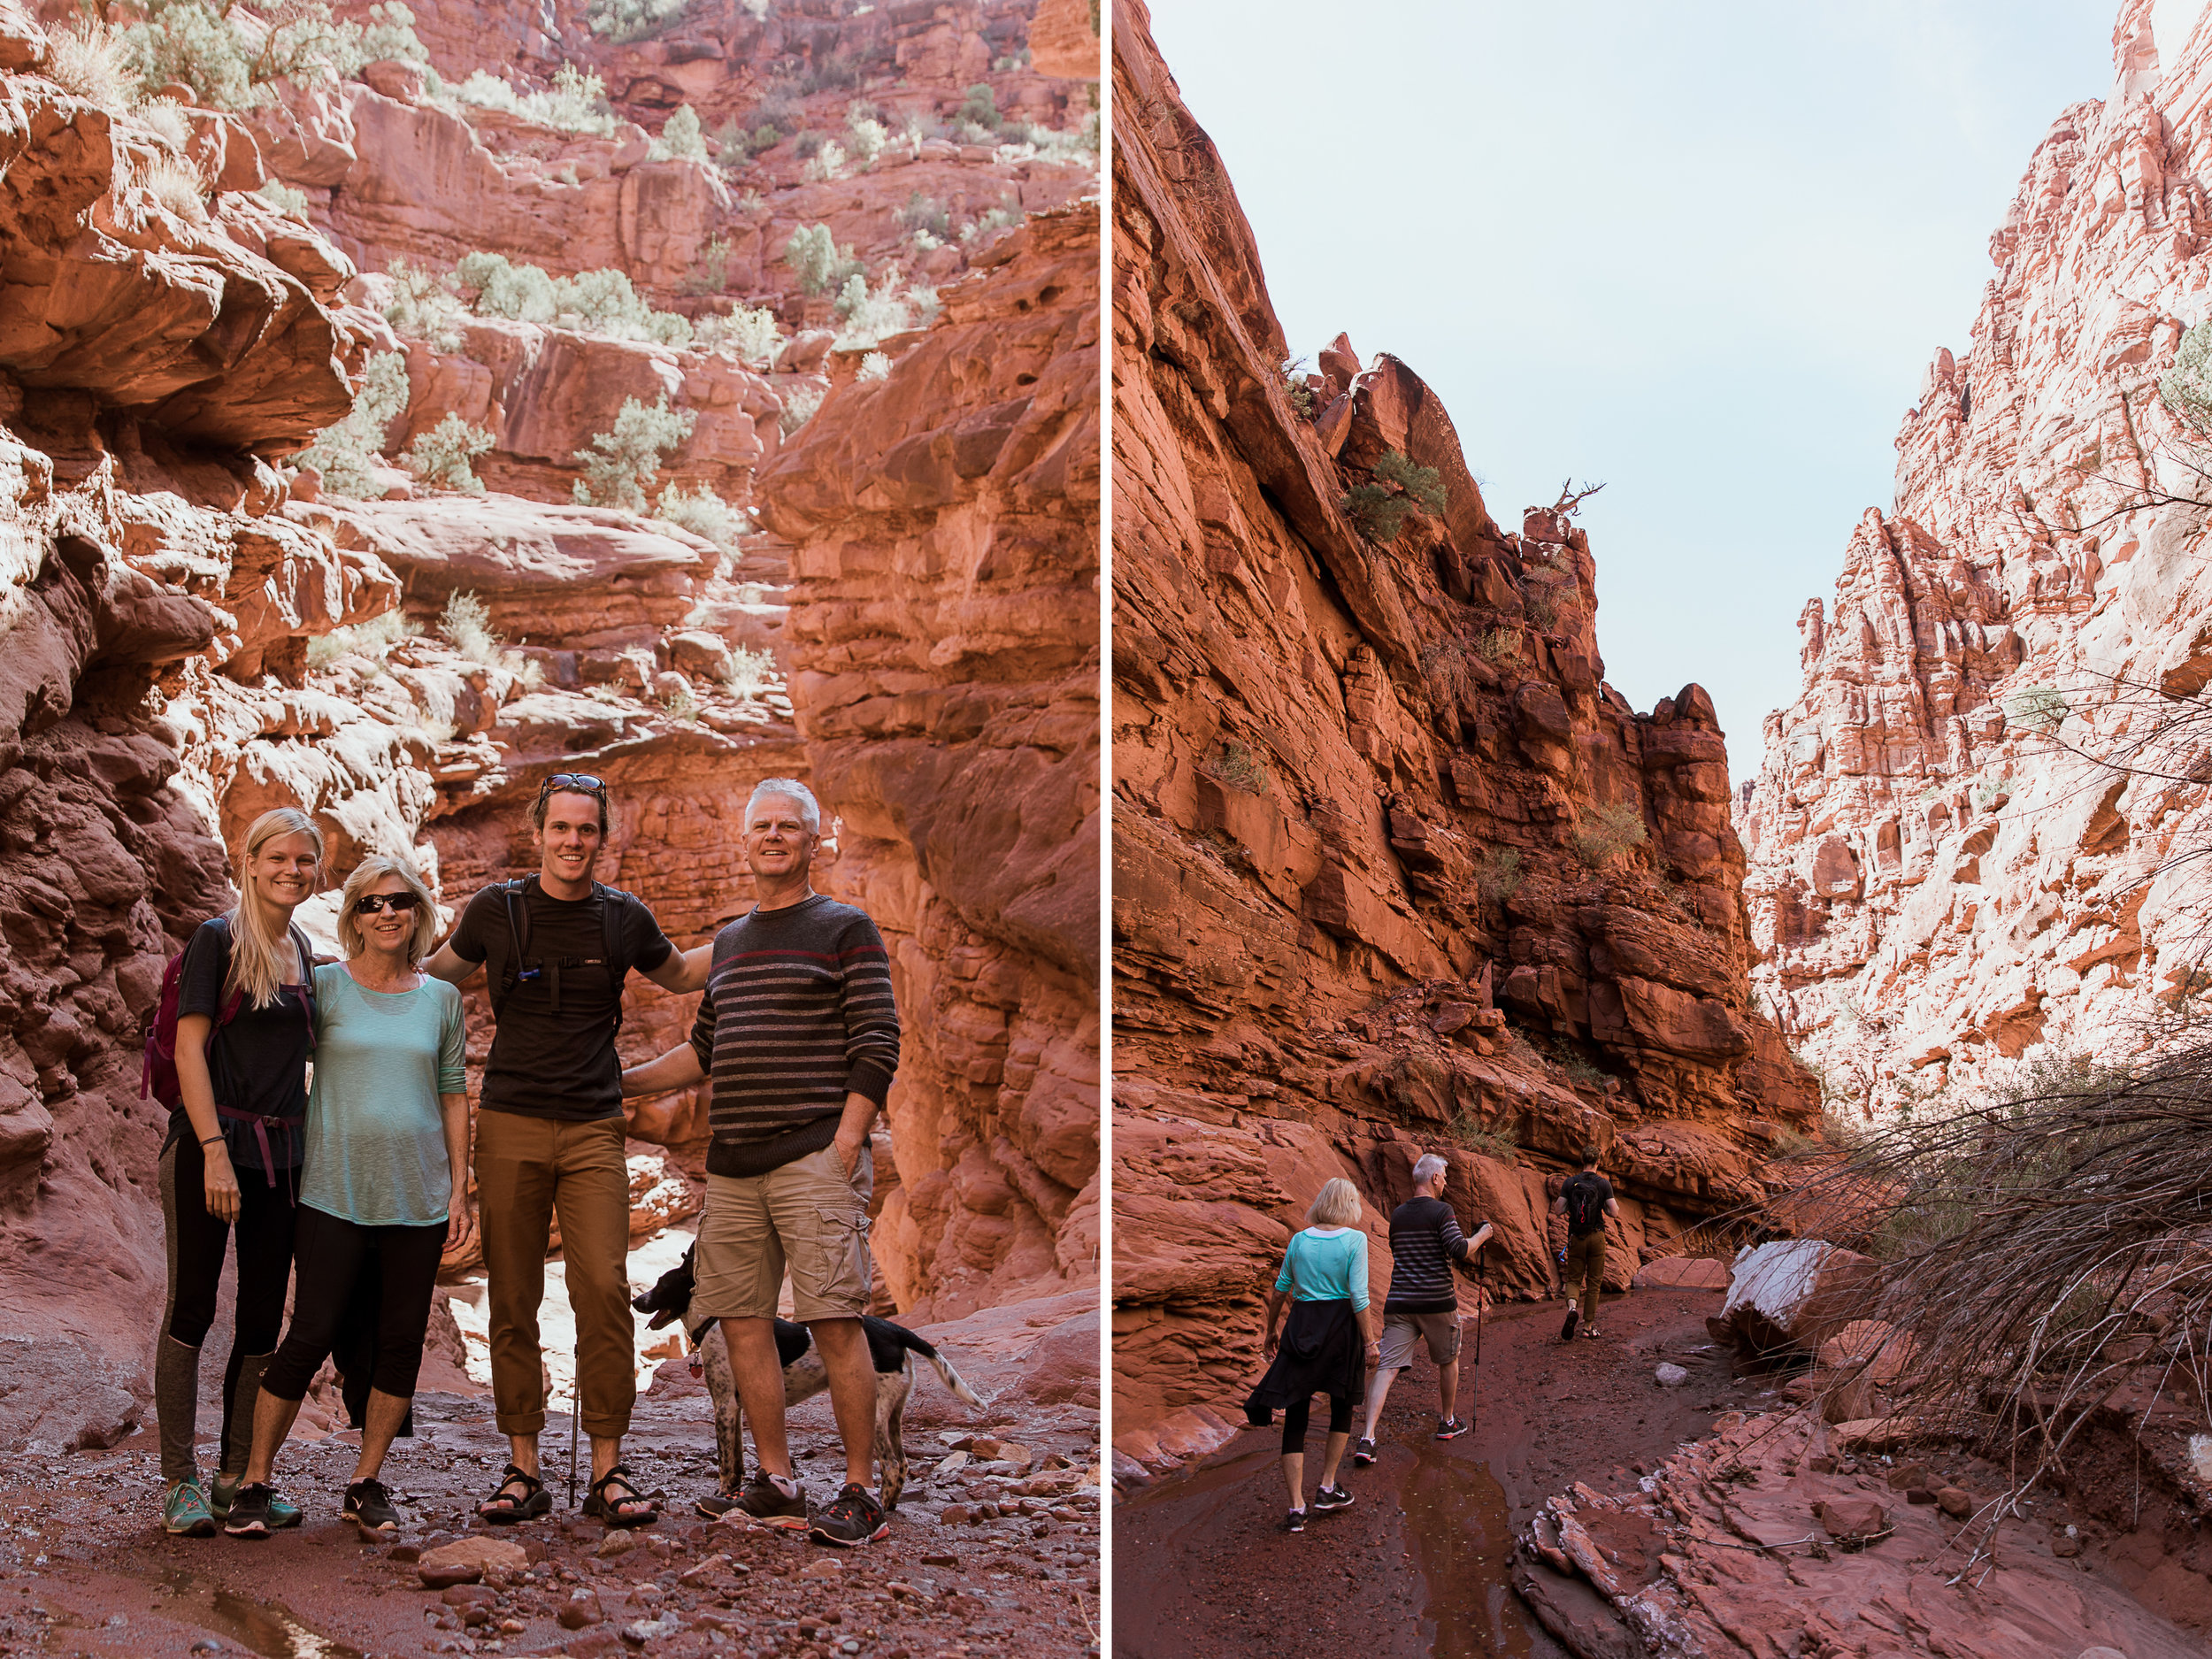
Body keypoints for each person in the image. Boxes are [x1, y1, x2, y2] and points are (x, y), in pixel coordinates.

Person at [620, 779, 902, 1547]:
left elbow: (878, 1040)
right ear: (744, 842)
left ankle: (858, 1486)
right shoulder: (735, 940)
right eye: (762, 826)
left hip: (815, 1152)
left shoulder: (847, 928)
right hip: (735, 1164)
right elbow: (705, 1050)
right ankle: (775, 1480)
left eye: (789, 826)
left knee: (834, 1317)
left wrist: (846, 1144)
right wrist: (622, 1082)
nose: (774, 836)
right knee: (742, 1319)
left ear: (814, 842)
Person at [424, 773, 710, 1527]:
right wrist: (347, 976)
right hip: (511, 1120)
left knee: (603, 1292)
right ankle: (524, 1465)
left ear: (601, 835)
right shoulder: (496, 908)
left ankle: (608, 1469)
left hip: (592, 1127)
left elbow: (680, 973)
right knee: (514, 1296)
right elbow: (431, 979)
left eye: (587, 829)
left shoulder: (622, 919)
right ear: (539, 830)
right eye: (561, 827)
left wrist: (761, 929)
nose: (573, 841)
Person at [224, 856, 473, 1536]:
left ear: (419, 911)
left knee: (398, 1344)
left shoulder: (441, 999)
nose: (387, 912)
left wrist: (460, 1187)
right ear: (354, 916)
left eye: (399, 900)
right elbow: (266, 1047)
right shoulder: (324, 986)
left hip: (418, 1198)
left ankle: (365, 1480)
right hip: (331, 1193)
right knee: (309, 1334)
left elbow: (453, 1094)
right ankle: (253, 1480)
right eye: (370, 903)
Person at [156, 807, 324, 1538]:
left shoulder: (305, 947)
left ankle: (234, 1477)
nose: (292, 870)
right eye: (279, 858)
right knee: (193, 1307)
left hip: (282, 1159)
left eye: (305, 861)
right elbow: (190, 1049)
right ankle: (178, 1480)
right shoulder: (217, 940)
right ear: (249, 862)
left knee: (260, 1319)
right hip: (209, 1148)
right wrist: (214, 1149)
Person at [1244, 1177, 1377, 1532]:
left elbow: (1278, 1292)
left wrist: (1270, 1330)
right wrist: (1370, 1341)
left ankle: (1296, 1508)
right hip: (1340, 1330)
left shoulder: (1299, 1240)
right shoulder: (1355, 1240)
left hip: (1301, 1326)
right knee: (1342, 1405)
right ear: (1350, 1205)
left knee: (1296, 1415)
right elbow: (1359, 1295)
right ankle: (1327, 1487)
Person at [1352, 1153, 1493, 1463]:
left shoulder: (1399, 1214)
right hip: (1436, 1301)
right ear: (1433, 1178)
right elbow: (1458, 1249)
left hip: (1400, 1300)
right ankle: (1447, 1421)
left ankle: (1367, 1438)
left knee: (1387, 1367)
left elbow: (1397, 1249)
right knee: (1449, 1359)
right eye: (1444, 1175)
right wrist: (1482, 1236)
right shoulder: (1442, 1211)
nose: (1446, 1180)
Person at [1552, 1143, 1620, 1340]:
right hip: (1596, 1236)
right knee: (1594, 1282)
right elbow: (1614, 1212)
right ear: (1598, 1161)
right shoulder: (1603, 1184)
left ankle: (1572, 1307)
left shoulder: (1570, 1182)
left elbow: (1558, 1209)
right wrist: (1604, 1209)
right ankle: (1588, 1327)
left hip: (1576, 1237)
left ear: (1582, 1161)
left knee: (1574, 1279)